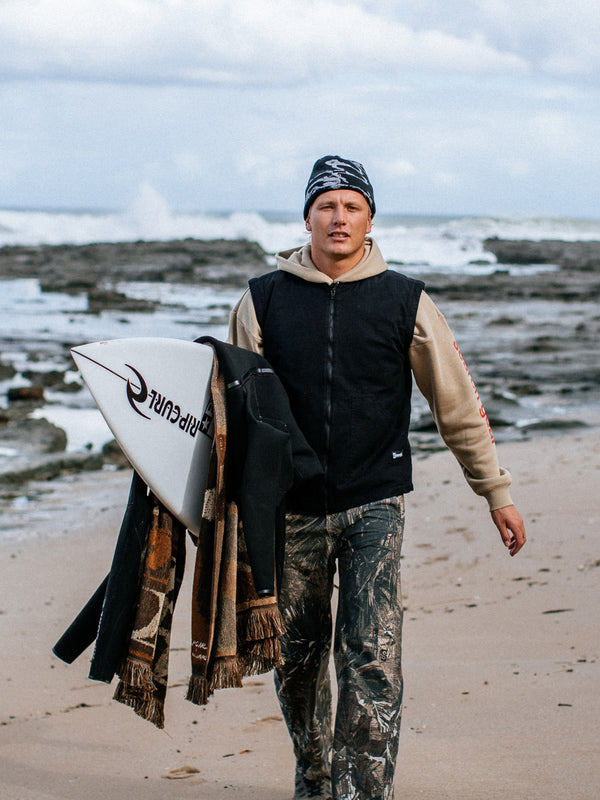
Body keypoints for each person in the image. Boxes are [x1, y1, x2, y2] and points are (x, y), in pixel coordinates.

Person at [229, 155, 526, 800]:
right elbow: (232, 417)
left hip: (374, 507)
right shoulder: (261, 300)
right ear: (306, 217)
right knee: (297, 662)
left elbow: (456, 402)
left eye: (352, 206)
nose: (339, 218)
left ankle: (363, 792)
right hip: (291, 511)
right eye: (326, 205)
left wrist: (494, 491)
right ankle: (314, 779)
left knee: (372, 660)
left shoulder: (405, 300)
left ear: (369, 219)